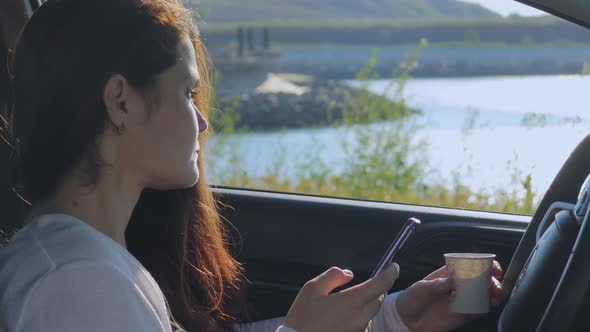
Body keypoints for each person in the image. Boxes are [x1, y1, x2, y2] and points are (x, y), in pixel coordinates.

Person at [0, 0, 503, 331]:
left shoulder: (88, 260)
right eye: (186, 92)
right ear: (121, 102)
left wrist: (394, 317)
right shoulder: (78, 284)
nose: (202, 121)